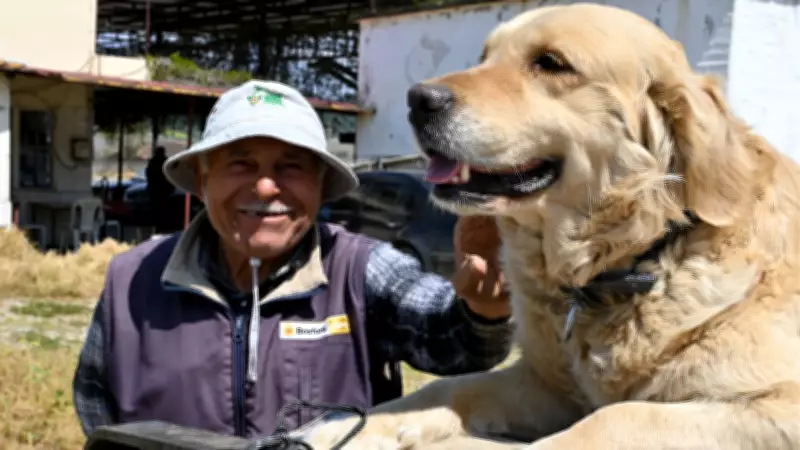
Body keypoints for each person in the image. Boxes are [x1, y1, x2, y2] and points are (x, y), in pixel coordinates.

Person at [72, 80, 513, 440]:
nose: (266, 188)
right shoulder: (132, 280)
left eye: (291, 167)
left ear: (321, 183)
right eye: (241, 164)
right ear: (203, 178)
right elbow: (97, 411)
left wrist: (483, 309)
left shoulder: (358, 270)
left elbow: (449, 336)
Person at [145, 145, 175, 232]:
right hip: (163, 191)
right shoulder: (165, 162)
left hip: (157, 191)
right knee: (163, 210)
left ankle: (159, 225)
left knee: (158, 210)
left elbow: (149, 174)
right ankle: (162, 225)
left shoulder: (155, 162)